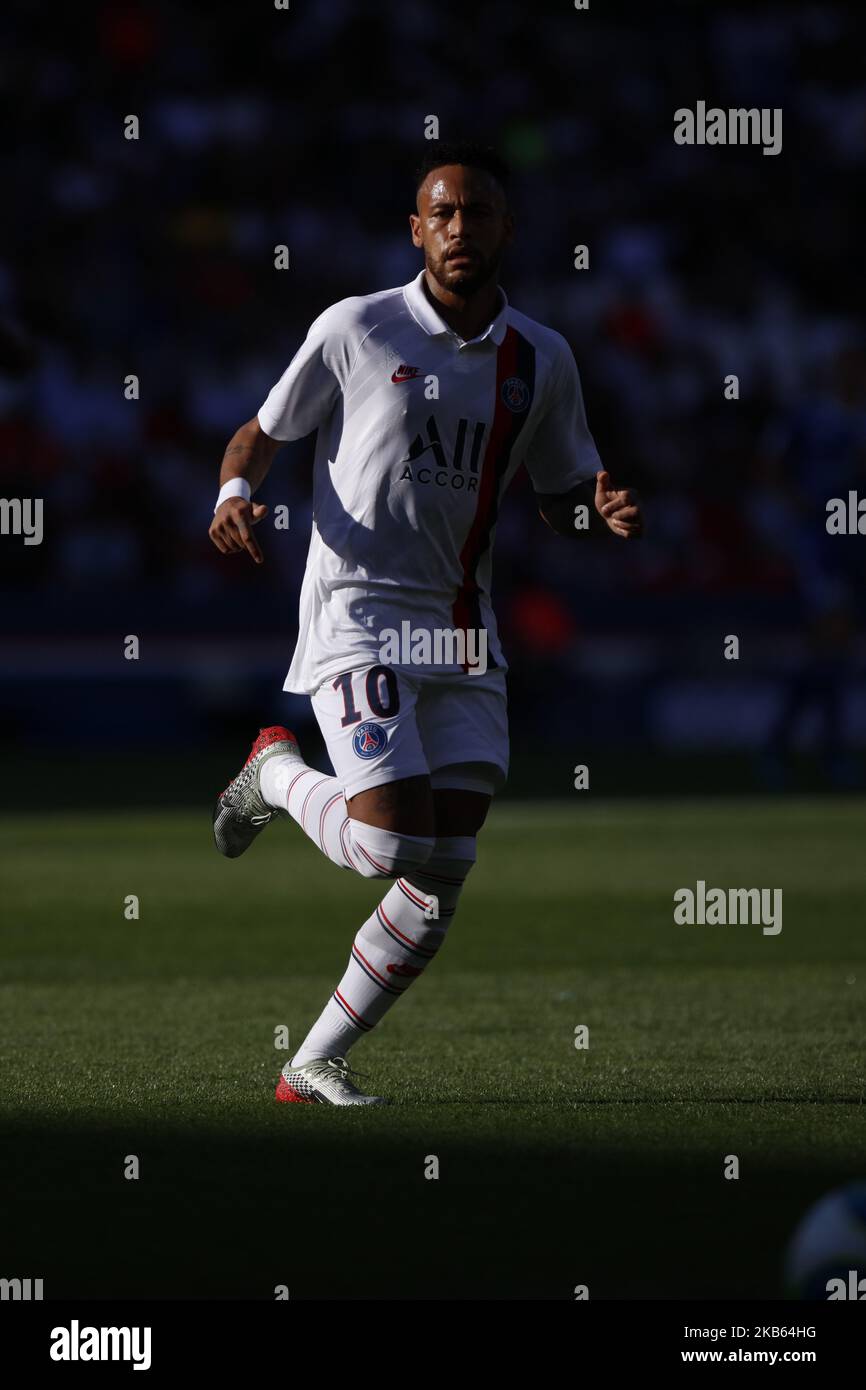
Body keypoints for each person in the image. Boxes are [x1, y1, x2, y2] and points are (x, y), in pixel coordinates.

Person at [208, 141, 642, 1105]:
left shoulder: (542, 357)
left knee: (444, 868)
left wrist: (596, 511)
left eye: (476, 212)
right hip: (357, 611)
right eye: (440, 214)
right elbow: (262, 431)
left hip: (460, 626)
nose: (458, 229)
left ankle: (311, 1059)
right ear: (416, 230)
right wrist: (235, 488)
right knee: (394, 844)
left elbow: (563, 492)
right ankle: (275, 773)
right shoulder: (358, 328)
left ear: (504, 230)